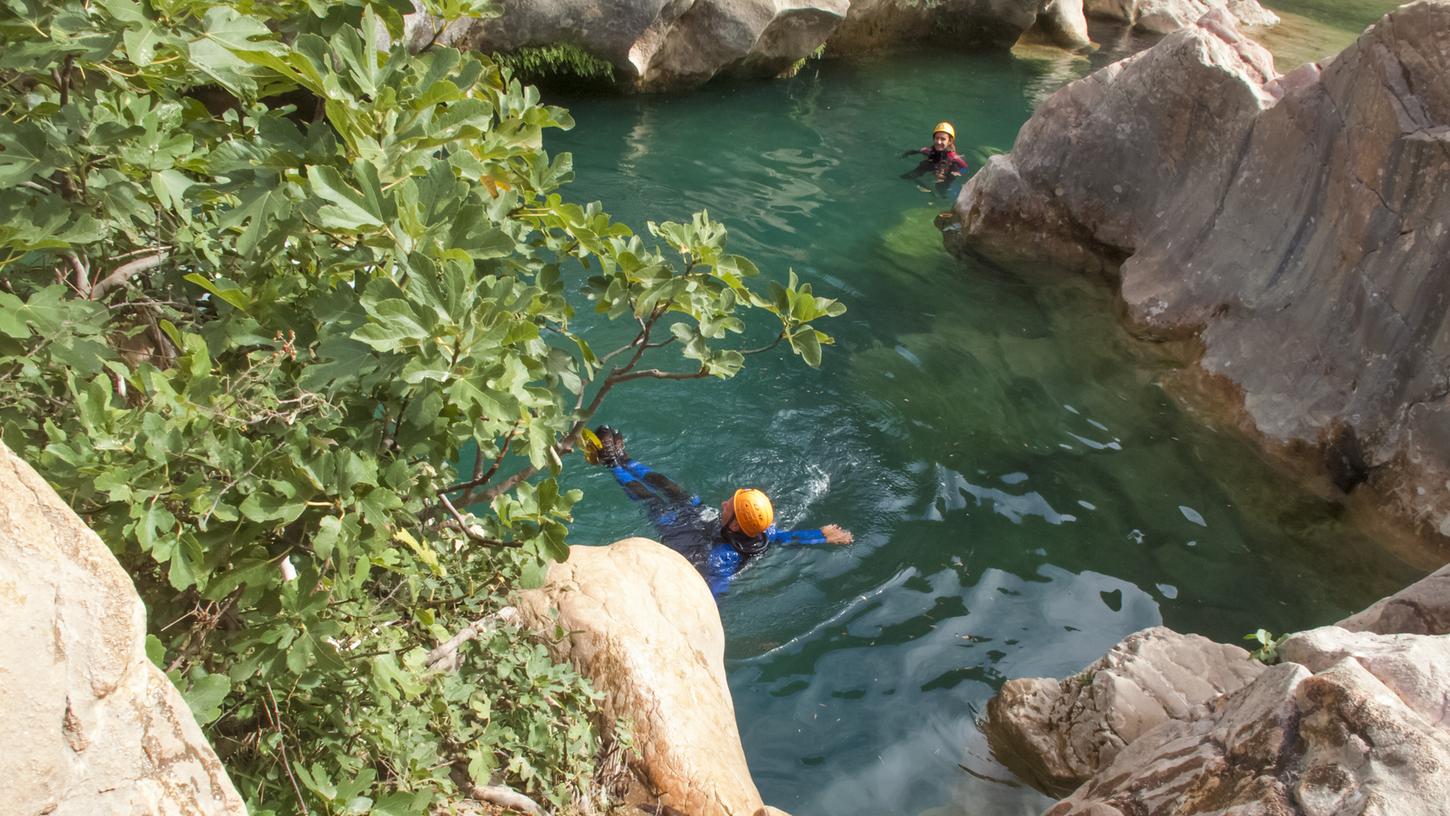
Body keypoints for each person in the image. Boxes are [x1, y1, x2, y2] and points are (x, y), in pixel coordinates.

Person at [584, 425, 853, 597]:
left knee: (652, 500)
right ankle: (627, 458)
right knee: (673, 489)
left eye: (731, 507)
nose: (725, 503)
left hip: (686, 537)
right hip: (706, 523)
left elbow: (710, 590)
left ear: (736, 525)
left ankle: (612, 464)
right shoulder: (763, 531)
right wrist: (822, 535)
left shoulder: (721, 562)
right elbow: (787, 538)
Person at [901, 121, 969, 193]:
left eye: (943, 139)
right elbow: (917, 151)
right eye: (937, 138)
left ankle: (940, 196)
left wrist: (958, 173)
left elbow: (965, 168)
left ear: (950, 141)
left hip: (948, 171)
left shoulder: (953, 157)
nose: (939, 142)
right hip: (933, 165)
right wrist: (905, 154)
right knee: (914, 173)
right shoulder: (929, 151)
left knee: (941, 188)